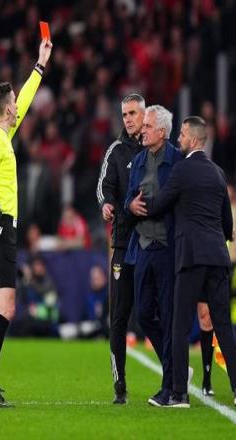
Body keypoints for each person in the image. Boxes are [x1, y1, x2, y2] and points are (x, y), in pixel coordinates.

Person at [131, 116, 236, 409]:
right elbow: (227, 222)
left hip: (190, 257)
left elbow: (160, 204)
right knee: (223, 325)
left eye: (184, 134)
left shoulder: (182, 170)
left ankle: (179, 394)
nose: (179, 139)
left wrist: (136, 205)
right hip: (218, 258)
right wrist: (224, 233)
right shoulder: (218, 173)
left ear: (195, 139)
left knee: (180, 325)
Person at [0, 38, 53, 407]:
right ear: (7, 110)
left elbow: (27, 99)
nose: (19, 106)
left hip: (1, 228)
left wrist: (40, 64)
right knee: (7, 308)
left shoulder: (3, 136)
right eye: (15, 103)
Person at [126, 105, 183, 407]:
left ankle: (169, 386)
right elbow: (129, 197)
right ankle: (175, 368)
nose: (142, 130)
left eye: (148, 126)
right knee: (145, 314)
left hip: (167, 247)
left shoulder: (177, 160)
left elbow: (179, 201)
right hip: (144, 246)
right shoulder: (138, 160)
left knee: (170, 317)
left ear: (161, 131)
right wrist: (130, 206)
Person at [96, 93, 145, 404]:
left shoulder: (155, 148)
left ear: (144, 115)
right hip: (125, 243)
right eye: (124, 114)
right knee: (119, 316)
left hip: (153, 242)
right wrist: (106, 203)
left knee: (155, 312)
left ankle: (173, 376)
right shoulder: (116, 151)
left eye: (132, 113)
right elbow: (104, 186)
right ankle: (120, 384)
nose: (127, 119)